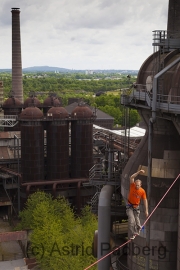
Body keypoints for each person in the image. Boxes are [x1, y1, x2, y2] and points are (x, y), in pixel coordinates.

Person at [126, 169, 148, 240]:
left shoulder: (142, 191)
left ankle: (138, 230)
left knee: (138, 222)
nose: (137, 186)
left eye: (138, 185)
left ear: (140, 185)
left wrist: (146, 210)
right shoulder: (132, 185)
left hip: (136, 207)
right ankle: (132, 234)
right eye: (136, 185)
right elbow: (132, 177)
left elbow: (145, 200)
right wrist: (138, 172)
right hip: (130, 206)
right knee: (131, 221)